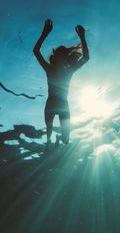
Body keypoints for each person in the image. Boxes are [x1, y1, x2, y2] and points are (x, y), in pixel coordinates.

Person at [33, 19, 89, 147]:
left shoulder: (65, 71)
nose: (62, 59)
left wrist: (82, 37)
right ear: (57, 57)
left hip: (62, 105)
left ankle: (58, 140)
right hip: (53, 104)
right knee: (48, 133)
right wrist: (44, 33)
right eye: (60, 55)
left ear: (65, 59)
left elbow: (86, 58)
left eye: (64, 56)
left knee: (65, 139)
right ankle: (50, 143)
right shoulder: (51, 69)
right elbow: (36, 52)